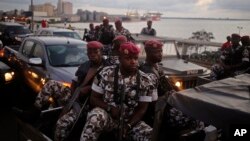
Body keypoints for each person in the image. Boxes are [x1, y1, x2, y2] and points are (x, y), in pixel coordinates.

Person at [80, 42, 155, 141]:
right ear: (119, 59)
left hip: (130, 122)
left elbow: (142, 109)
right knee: (95, 117)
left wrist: (128, 126)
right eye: (128, 58)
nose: (133, 62)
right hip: (108, 117)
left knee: (151, 135)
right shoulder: (105, 73)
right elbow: (93, 99)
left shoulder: (145, 80)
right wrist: (110, 108)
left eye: (135, 58)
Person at [141, 39, 212, 141]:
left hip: (168, 103)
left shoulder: (156, 67)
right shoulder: (147, 73)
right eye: (156, 52)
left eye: (161, 51)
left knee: (197, 109)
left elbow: (168, 87)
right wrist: (172, 98)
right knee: (197, 117)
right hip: (161, 110)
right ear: (147, 52)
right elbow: (152, 102)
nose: (160, 54)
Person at [54, 41, 108, 141]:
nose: (92, 54)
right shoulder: (84, 65)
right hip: (76, 99)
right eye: (89, 51)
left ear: (101, 52)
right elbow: (74, 82)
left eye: (95, 51)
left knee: (62, 124)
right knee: (52, 84)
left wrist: (90, 88)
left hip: (89, 105)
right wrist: (72, 98)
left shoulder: (107, 68)